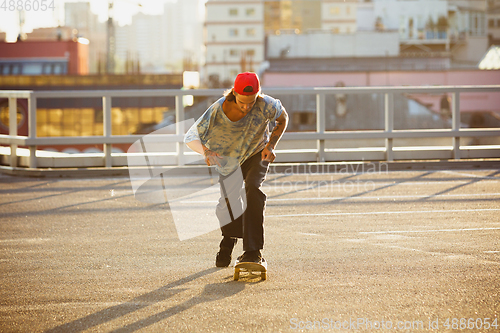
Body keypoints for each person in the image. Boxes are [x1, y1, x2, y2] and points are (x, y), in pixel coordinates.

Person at [184, 72, 289, 267]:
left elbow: (283, 119)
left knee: (253, 189)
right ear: (234, 94)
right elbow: (190, 137)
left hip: (256, 153)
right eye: (242, 102)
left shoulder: (267, 104)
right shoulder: (218, 109)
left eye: (251, 102)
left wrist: (271, 146)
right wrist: (206, 152)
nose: (247, 107)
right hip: (228, 160)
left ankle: (253, 252)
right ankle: (229, 240)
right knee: (228, 203)